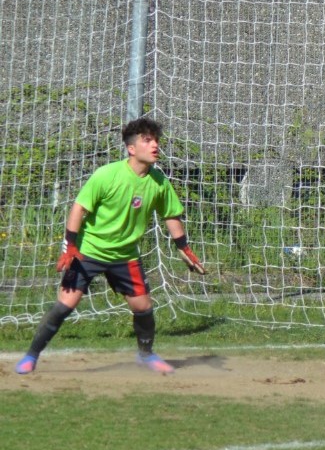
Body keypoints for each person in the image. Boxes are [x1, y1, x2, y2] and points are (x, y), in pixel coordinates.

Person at [15, 117, 206, 376]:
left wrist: (184, 247)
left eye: (156, 141)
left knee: (143, 308)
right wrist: (69, 246)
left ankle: (146, 355)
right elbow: (78, 207)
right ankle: (31, 356)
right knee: (65, 305)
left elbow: (171, 215)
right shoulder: (107, 175)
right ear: (131, 148)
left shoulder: (159, 181)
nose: (155, 146)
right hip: (88, 251)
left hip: (125, 256)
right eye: (147, 141)